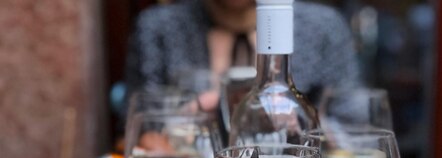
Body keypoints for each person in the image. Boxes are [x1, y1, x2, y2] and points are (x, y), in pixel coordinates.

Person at [124, 0, 360, 108]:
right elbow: (140, 128)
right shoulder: (158, 28)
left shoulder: (323, 28)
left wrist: (303, 123)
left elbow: (354, 128)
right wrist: (184, 124)